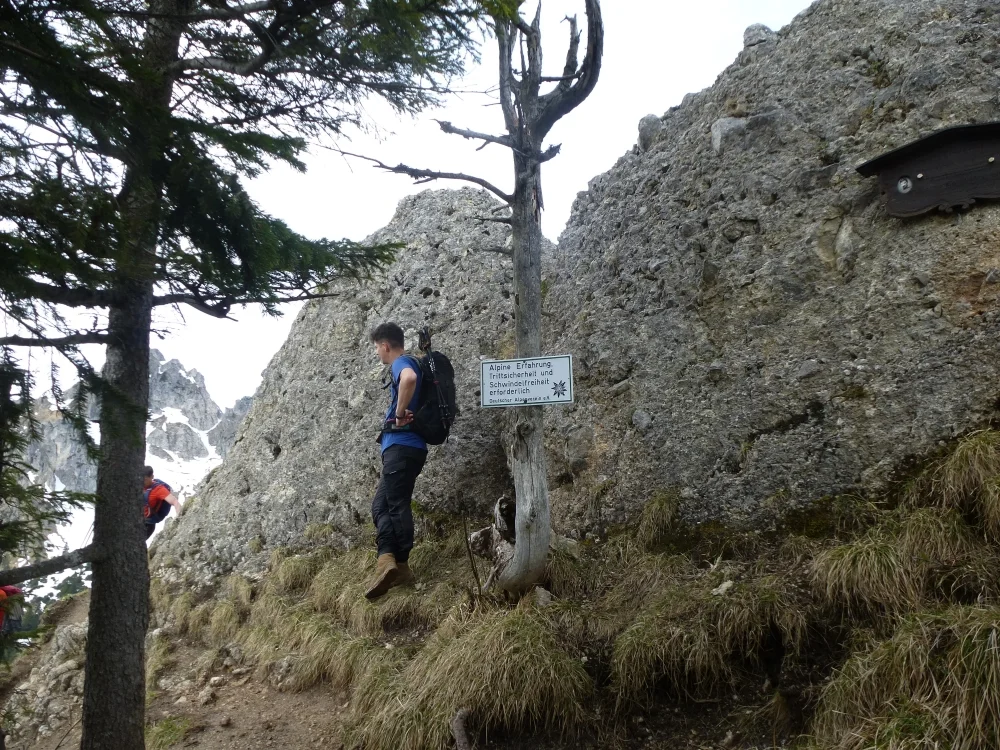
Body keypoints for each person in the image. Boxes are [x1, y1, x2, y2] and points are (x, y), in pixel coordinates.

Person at [366, 322, 427, 600]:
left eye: (377, 348)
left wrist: (400, 414)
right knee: (381, 504)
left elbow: (409, 379)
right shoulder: (411, 361)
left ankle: (400, 563)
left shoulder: (401, 362)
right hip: (406, 448)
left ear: (385, 345)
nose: (378, 353)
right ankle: (387, 559)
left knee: (396, 503)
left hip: (402, 445)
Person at [142, 465, 182, 540]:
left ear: (152, 477)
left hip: (148, 524)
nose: (143, 482)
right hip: (137, 520)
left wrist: (180, 517)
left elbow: (174, 501)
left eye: (145, 479)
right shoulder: (138, 485)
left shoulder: (159, 489)